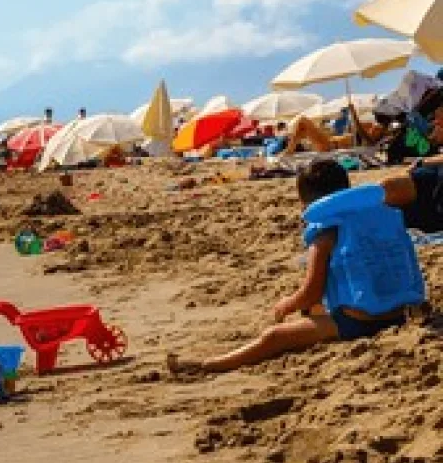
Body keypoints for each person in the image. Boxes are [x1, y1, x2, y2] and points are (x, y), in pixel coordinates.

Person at [169, 159, 425, 374]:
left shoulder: (324, 235)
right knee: (314, 309)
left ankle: (209, 364)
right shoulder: (377, 218)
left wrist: (287, 304)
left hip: (361, 323)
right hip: (401, 310)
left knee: (274, 337)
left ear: (308, 204)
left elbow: (310, 293)